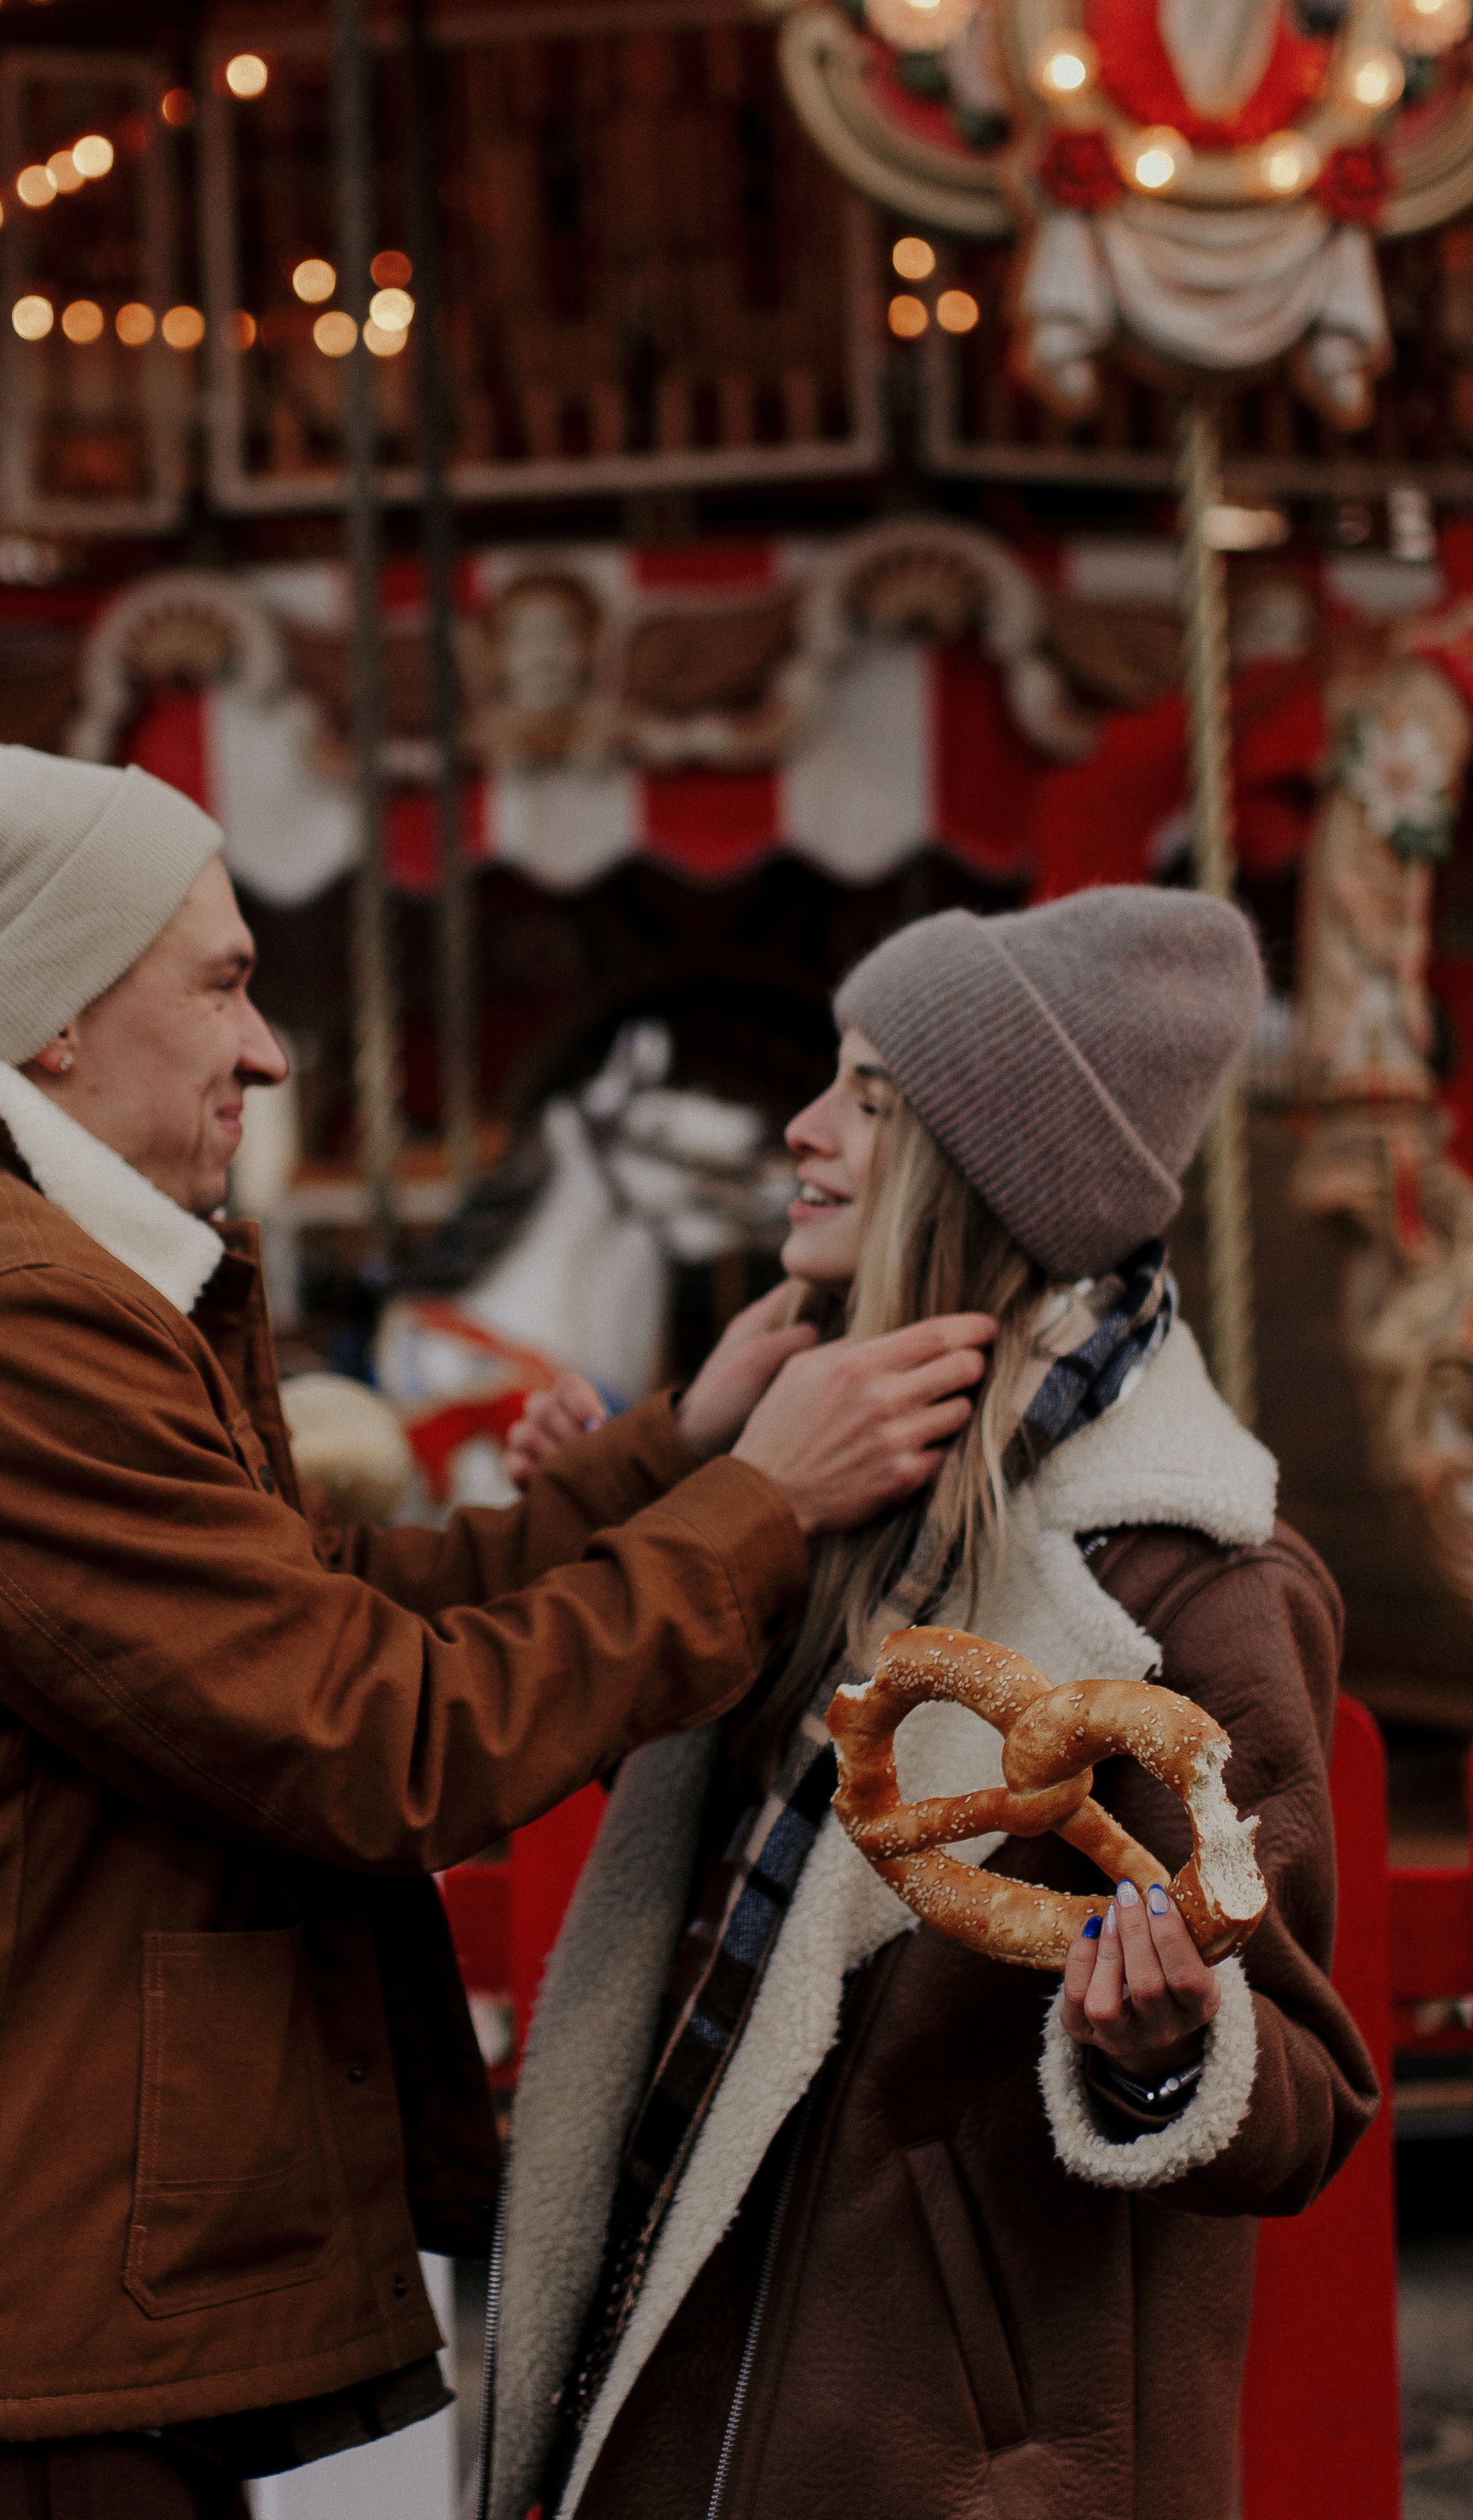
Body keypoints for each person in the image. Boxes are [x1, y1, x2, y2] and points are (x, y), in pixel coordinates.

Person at [0, 745, 996, 2517]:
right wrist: (760, 1508)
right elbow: (370, 1736)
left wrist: (670, 1455)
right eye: (221, 984)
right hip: (2, 2367)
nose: (266, 1051)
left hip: (2, 2302)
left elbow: (306, 1602)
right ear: (53, 1017)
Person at [490, 889, 1382, 2520]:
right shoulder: (834, 1498)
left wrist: (1163, 2057)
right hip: (687, 2375)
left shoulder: (1182, 1584)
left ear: (977, 1167)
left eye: (866, 1098)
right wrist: (647, 1498)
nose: (800, 1127)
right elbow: (725, 1894)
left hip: (927, 2457)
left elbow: (1306, 2091)